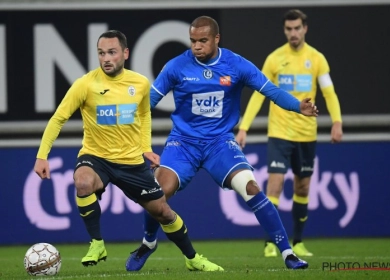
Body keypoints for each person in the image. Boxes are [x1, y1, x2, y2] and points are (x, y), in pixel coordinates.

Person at [125, 16, 318, 272]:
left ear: (216, 39)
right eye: (193, 41)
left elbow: (270, 91)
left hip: (220, 143)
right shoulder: (176, 67)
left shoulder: (236, 65)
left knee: (251, 188)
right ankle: (148, 243)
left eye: (203, 41)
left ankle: (287, 253)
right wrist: (129, 129)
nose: (196, 46)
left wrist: (298, 106)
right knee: (158, 193)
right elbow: (146, 104)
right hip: (183, 143)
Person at [33, 30, 223, 272]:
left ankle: (192, 258)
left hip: (132, 162)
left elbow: (144, 115)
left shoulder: (140, 83)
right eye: (101, 53)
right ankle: (97, 243)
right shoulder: (85, 84)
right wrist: (42, 155)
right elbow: (58, 118)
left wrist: (145, 148)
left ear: (125, 53)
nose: (106, 59)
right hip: (96, 157)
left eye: (112, 52)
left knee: (163, 212)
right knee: (82, 182)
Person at [236, 9, 343, 258]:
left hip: (306, 135)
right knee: (274, 183)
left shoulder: (317, 59)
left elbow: (329, 93)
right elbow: (258, 94)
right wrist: (244, 127)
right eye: (289, 29)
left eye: (297, 28)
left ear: (305, 29)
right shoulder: (274, 59)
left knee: (303, 188)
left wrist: (337, 122)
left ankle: (298, 242)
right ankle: (270, 243)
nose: (293, 33)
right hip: (280, 133)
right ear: (285, 31)